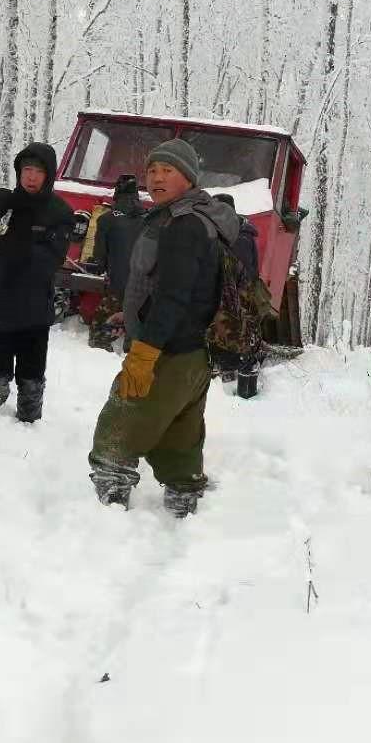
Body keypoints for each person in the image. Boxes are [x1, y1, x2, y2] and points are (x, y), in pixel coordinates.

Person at [87, 139, 245, 518]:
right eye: (152, 171)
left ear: (188, 177)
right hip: (194, 351)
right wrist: (133, 312)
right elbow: (184, 287)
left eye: (167, 171)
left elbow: (174, 295)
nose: (156, 178)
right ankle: (183, 501)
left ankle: (106, 510)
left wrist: (144, 352)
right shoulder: (199, 218)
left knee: (121, 422)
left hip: (168, 350)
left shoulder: (184, 224)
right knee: (180, 431)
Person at [0, 141, 75, 423]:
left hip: (35, 307)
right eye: (26, 169)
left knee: (32, 374)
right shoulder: (3, 202)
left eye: (38, 171)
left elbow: (52, 258)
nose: (31, 176)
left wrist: (15, 245)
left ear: (48, 175)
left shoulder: (59, 211)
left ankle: (29, 424)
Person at [85, 173, 146, 350]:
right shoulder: (149, 219)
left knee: (98, 334)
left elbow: (99, 259)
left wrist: (94, 265)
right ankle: (132, 342)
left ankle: (102, 343)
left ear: (116, 192)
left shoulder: (106, 219)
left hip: (118, 285)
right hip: (144, 285)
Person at [211, 192, 262, 398]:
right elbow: (254, 272)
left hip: (224, 299)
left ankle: (225, 383)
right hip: (245, 297)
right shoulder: (247, 235)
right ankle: (240, 385)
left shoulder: (218, 235)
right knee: (242, 340)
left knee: (221, 337)